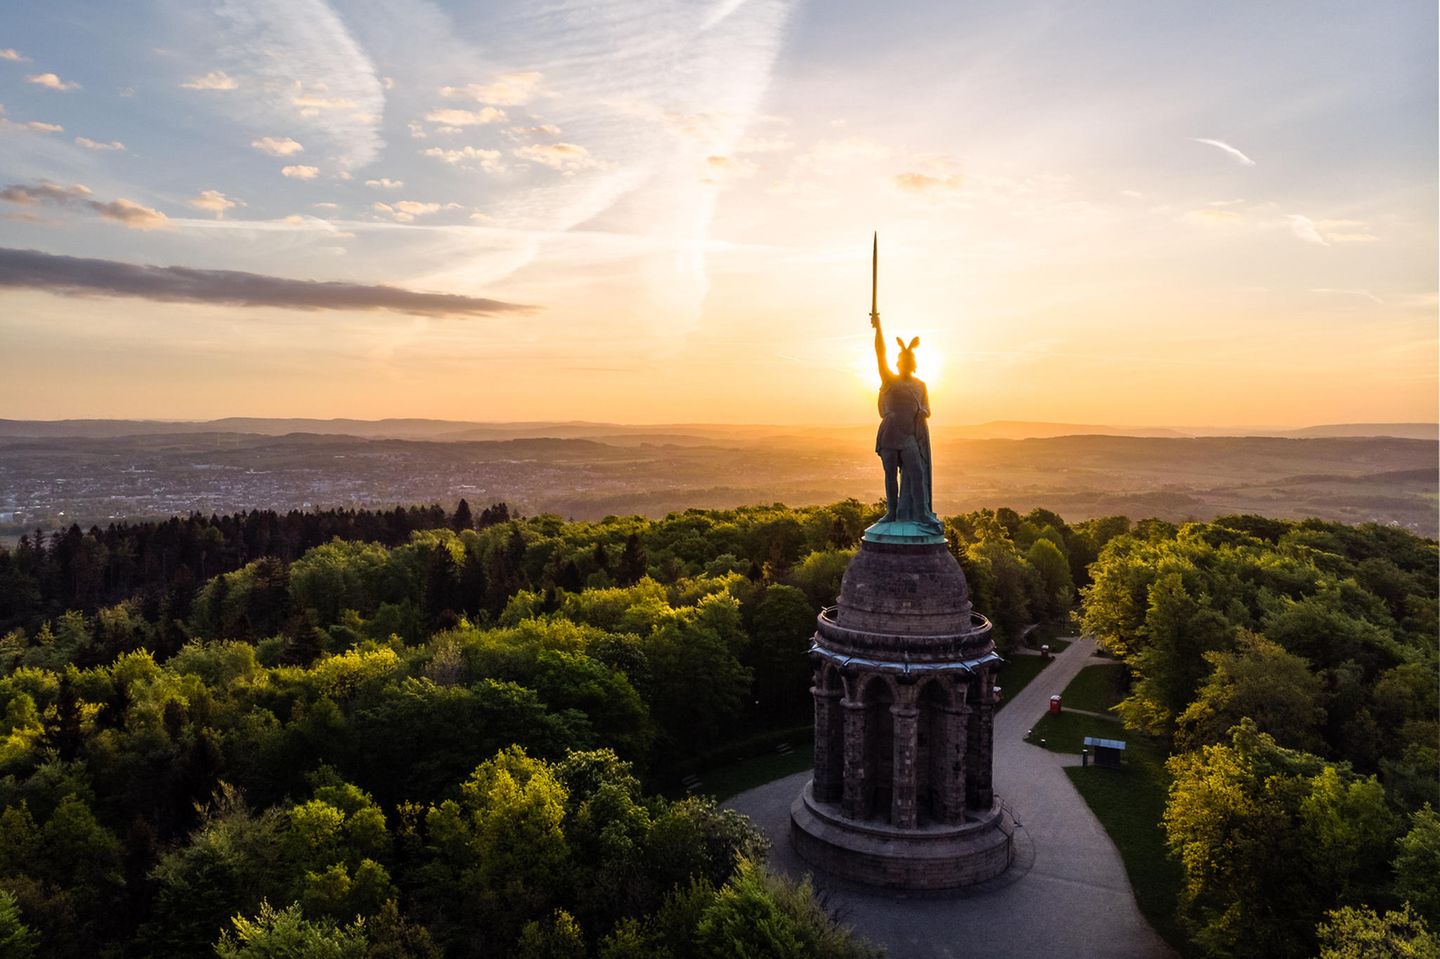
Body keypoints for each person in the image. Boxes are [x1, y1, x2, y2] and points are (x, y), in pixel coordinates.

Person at [872, 315, 941, 532]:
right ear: (898, 363)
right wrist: (879, 328)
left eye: (909, 361)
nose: (905, 364)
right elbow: (880, 353)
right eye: (903, 361)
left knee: (917, 473)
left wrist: (923, 412)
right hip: (890, 434)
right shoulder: (889, 380)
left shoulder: (920, 385)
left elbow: (927, 409)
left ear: (913, 364)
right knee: (890, 475)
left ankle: (921, 513)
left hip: (910, 436)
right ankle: (891, 512)